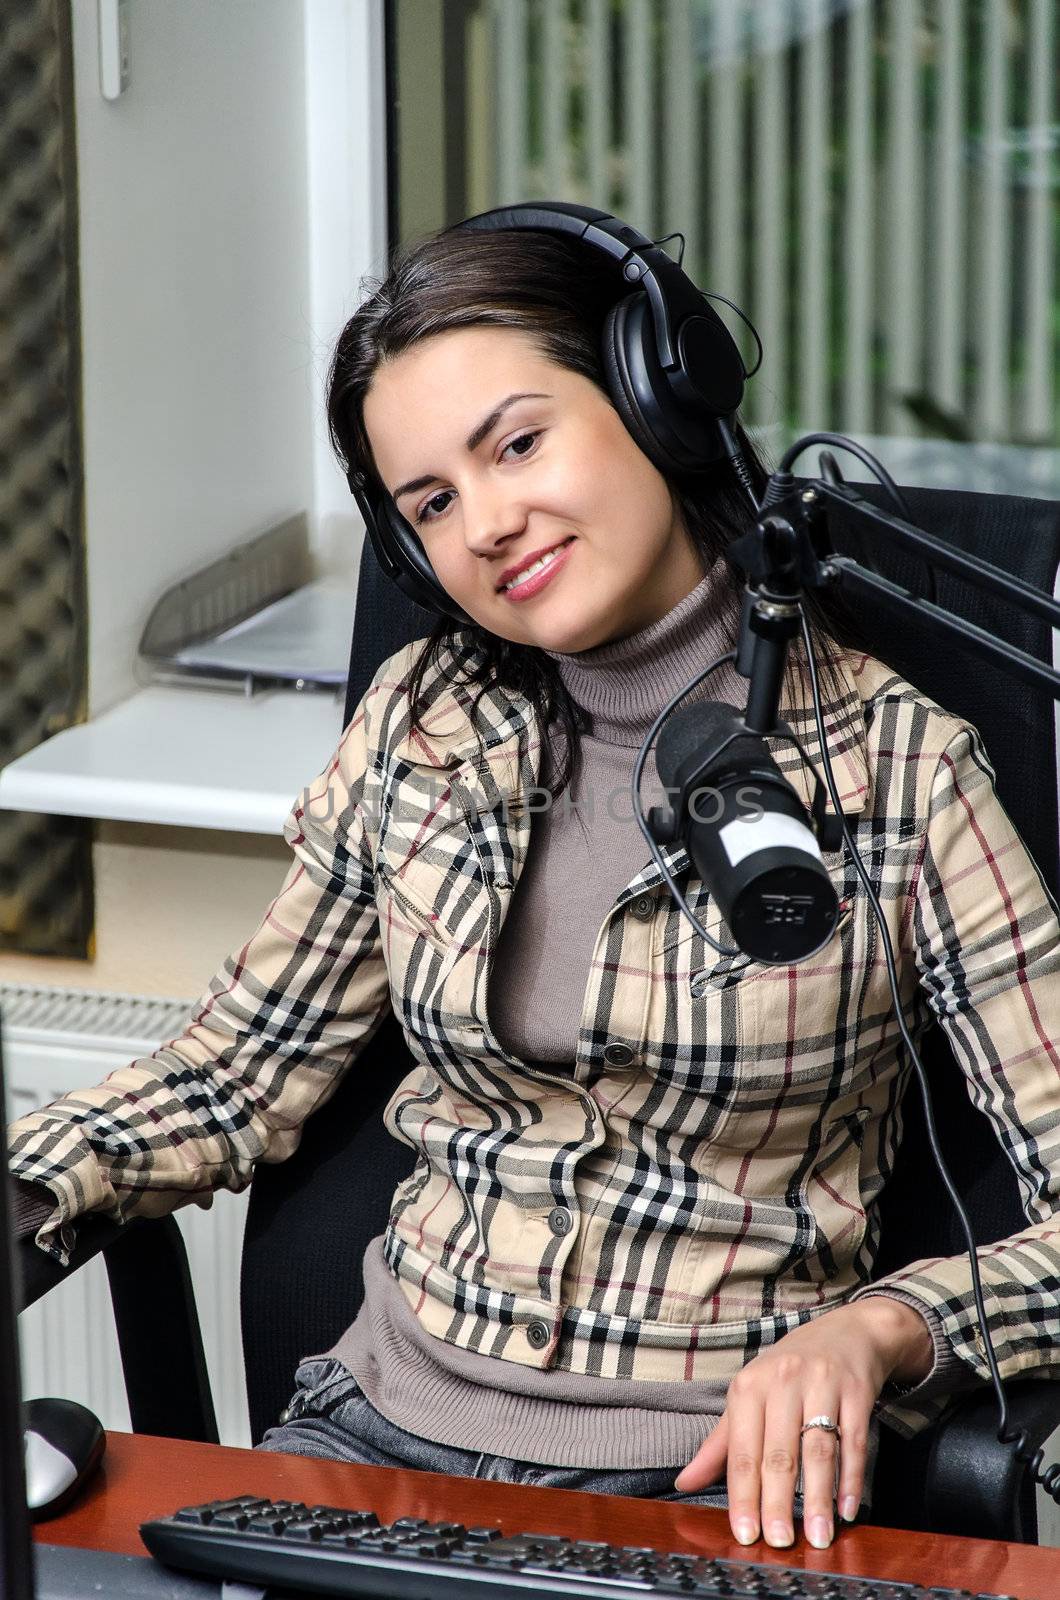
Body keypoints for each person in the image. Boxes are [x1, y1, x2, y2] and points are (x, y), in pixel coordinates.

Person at [8, 216, 1060, 1558]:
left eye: (518, 443)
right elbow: (233, 1074)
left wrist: (890, 1329)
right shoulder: (421, 725)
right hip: (366, 1444)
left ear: (654, 404)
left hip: (724, 1482)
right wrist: (26, 1186)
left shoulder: (899, 765)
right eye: (433, 504)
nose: (489, 524)